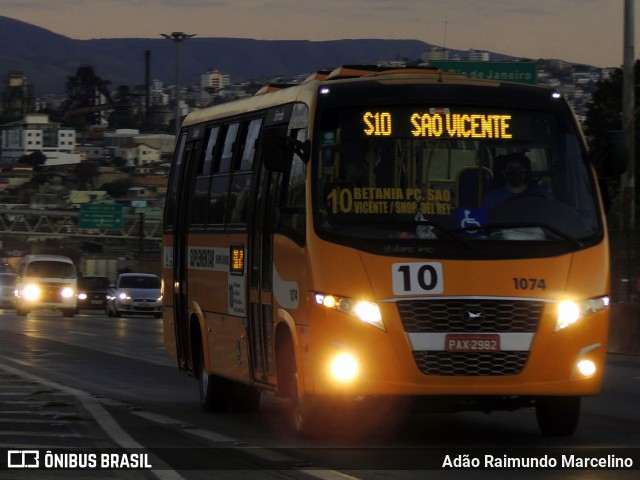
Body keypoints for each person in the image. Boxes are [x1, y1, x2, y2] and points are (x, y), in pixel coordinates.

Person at [482, 153, 548, 208]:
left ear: (525, 172)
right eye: (510, 168)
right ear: (504, 173)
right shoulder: (492, 197)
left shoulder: (540, 194)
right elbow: (485, 221)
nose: (515, 171)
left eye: (519, 168)